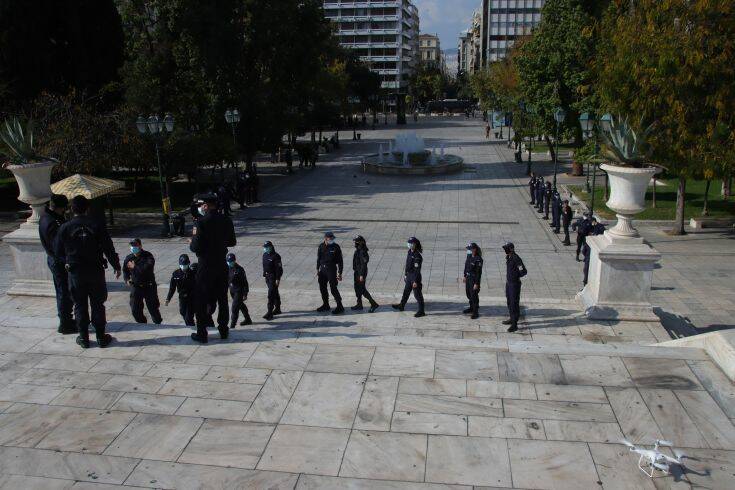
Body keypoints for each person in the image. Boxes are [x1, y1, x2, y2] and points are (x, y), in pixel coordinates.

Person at [54, 195, 121, 348]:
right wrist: (116, 266)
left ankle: (84, 337)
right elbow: (108, 248)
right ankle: (100, 336)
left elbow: (57, 251)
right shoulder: (96, 225)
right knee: (98, 304)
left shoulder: (65, 227)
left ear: (72, 209)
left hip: (76, 272)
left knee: (79, 304)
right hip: (95, 270)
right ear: (88, 208)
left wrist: (66, 262)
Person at [189, 193, 236, 343]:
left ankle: (202, 332)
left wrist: (192, 241)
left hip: (205, 265)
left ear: (205, 205)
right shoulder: (226, 219)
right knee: (222, 298)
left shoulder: (200, 222)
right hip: (221, 264)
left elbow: (195, 246)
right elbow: (232, 242)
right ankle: (223, 330)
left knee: (201, 299)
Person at [39, 193, 75, 334]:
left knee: (63, 290)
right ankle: (65, 322)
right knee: (64, 292)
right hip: (59, 261)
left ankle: (67, 319)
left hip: (56, 259)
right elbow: (57, 246)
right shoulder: (51, 222)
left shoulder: (50, 218)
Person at [123, 238, 162, 325]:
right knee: (135, 309)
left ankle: (158, 323)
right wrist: (127, 279)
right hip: (136, 287)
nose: (133, 247)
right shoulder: (129, 258)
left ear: (140, 246)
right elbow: (125, 270)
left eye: (135, 245)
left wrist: (135, 267)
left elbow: (147, 269)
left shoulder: (148, 256)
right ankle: (143, 324)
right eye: (132, 246)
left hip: (149, 286)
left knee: (153, 308)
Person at [392, 237, 426, 317]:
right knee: (406, 292)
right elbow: (407, 265)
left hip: (415, 277)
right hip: (409, 276)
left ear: (415, 244)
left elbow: (417, 270)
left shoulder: (417, 256)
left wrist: (414, 281)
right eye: (409, 243)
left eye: (411, 243)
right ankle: (401, 305)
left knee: (417, 295)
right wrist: (405, 274)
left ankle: (421, 311)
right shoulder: (409, 252)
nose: (409, 244)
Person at [316, 231, 344, 314]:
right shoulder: (321, 246)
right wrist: (317, 269)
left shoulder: (336, 247)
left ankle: (340, 306)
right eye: (330, 238)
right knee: (322, 288)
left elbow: (340, 261)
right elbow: (318, 258)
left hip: (331, 269)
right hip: (323, 270)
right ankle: (326, 304)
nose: (332, 239)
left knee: (333, 288)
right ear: (325, 238)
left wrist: (340, 272)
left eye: (333, 238)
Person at [502, 242, 527, 333]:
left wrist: (515, 276)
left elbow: (523, 271)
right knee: (509, 302)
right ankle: (511, 318)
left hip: (514, 284)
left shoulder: (516, 258)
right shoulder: (509, 257)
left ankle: (514, 324)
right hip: (509, 283)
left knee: (514, 303)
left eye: (506, 248)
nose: (505, 250)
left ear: (511, 249)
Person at [165, 254, 196, 326]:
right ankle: (191, 324)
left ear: (188, 264)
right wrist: (168, 298)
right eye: (182, 265)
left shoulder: (193, 273)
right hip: (182, 297)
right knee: (182, 312)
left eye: (185, 264)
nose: (183, 266)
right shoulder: (176, 274)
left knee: (189, 317)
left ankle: (191, 327)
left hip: (191, 298)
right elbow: (172, 288)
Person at [351, 235, 379, 313]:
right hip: (357, 272)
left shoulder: (363, 251)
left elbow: (364, 264)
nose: (355, 243)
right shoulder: (358, 249)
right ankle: (359, 304)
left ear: (361, 242)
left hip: (361, 273)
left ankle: (373, 303)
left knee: (362, 289)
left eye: (356, 241)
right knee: (357, 288)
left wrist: (361, 275)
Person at [226, 253, 252, 328]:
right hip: (232, 291)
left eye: (231, 261)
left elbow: (245, 282)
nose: (229, 263)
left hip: (239, 291)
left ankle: (232, 325)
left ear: (234, 261)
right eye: (228, 261)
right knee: (240, 305)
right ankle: (248, 319)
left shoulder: (239, 270)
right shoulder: (227, 268)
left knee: (234, 307)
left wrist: (245, 293)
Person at [262, 241, 283, 320]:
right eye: (265, 247)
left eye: (267, 247)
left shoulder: (276, 256)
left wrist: (278, 278)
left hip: (273, 278)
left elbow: (279, 269)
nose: (265, 249)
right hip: (267, 277)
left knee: (270, 294)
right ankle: (277, 308)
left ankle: (269, 312)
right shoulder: (264, 255)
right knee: (275, 292)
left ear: (271, 247)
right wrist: (264, 274)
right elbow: (264, 265)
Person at [463, 242, 483, 319]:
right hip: (468, 278)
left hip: (474, 279)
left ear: (474, 249)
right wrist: (465, 275)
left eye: (470, 249)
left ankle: (475, 312)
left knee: (474, 295)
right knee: (468, 294)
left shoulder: (478, 259)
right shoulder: (469, 256)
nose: (468, 250)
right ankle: (471, 308)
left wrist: (476, 283)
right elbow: (466, 266)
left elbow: (479, 273)